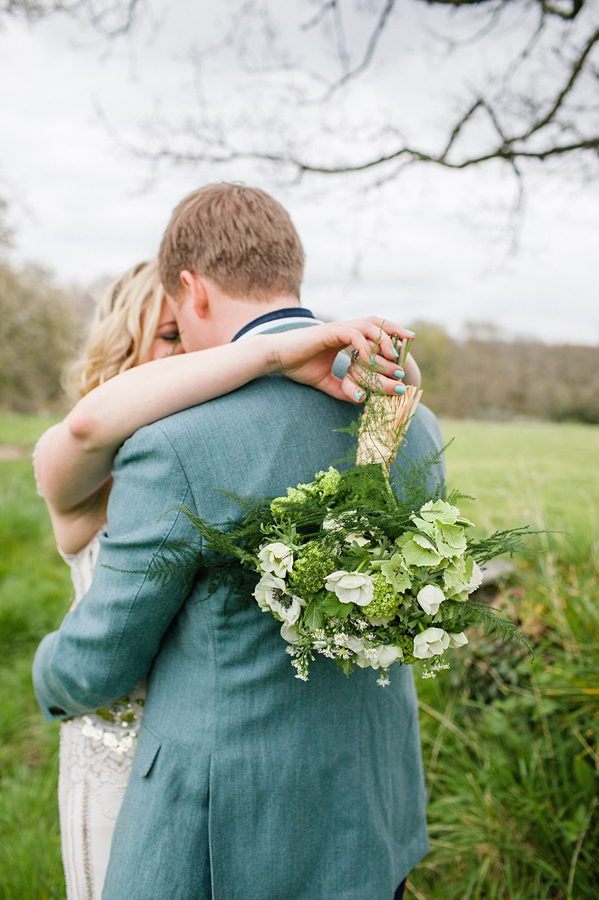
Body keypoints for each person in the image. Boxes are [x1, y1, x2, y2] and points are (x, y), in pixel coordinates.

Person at [33, 184, 444, 900]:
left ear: (191, 292)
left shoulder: (174, 444)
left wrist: (44, 677)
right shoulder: (411, 420)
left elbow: (101, 663)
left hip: (230, 842)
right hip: (374, 816)